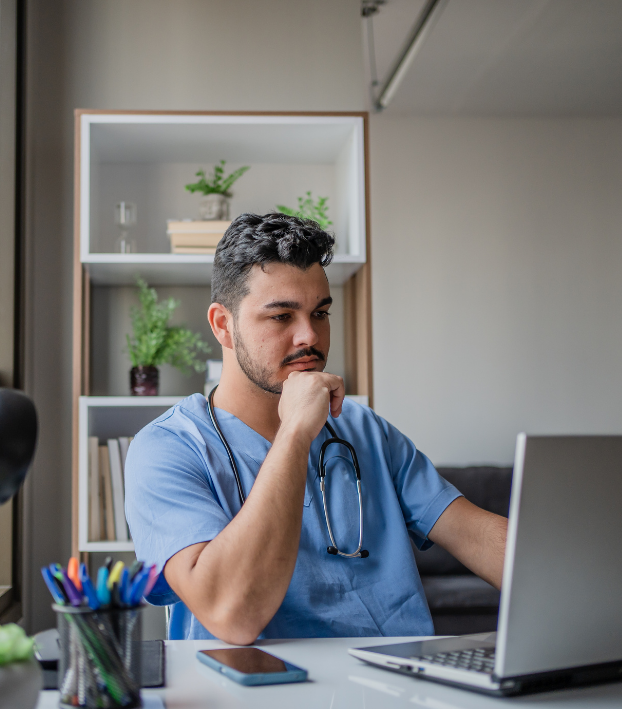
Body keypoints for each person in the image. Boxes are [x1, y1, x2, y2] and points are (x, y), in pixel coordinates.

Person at [124, 212, 507, 644]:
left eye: (320, 313)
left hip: (394, 684)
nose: (310, 336)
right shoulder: (166, 449)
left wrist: (570, 574)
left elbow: (476, 535)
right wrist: (295, 433)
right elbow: (231, 614)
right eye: (282, 317)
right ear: (222, 326)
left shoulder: (363, 429)